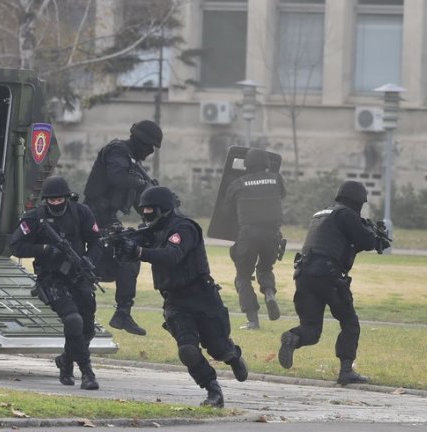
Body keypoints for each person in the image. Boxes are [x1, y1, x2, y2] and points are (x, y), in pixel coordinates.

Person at [116, 186, 248, 407]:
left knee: (218, 348)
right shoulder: (150, 231)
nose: (146, 213)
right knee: (187, 350)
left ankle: (232, 355)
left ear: (164, 208)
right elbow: (132, 250)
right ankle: (213, 390)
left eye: (150, 209)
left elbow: (171, 255)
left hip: (202, 297)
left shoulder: (184, 228)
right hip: (175, 300)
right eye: (143, 209)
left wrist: (139, 252)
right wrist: (121, 244)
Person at [278, 180, 390, 385]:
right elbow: (366, 241)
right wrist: (376, 237)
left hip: (303, 275)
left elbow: (340, 240)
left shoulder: (321, 215)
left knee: (311, 329)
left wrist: (369, 232)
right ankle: (346, 371)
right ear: (358, 201)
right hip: (328, 276)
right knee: (349, 322)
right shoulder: (346, 214)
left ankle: (293, 338)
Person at [10, 175, 103, 390]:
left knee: (88, 329)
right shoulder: (35, 218)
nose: (55, 204)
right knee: (73, 321)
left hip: (78, 276)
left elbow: (97, 242)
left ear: (67, 198)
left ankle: (65, 361)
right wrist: (44, 249)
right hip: (51, 278)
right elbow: (16, 246)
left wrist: (90, 260)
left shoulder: (82, 212)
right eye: (51, 201)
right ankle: (87, 372)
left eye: (59, 200)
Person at [82, 120, 163, 336]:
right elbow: (116, 177)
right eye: (149, 146)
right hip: (91, 218)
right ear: (139, 141)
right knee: (86, 267)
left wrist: (157, 216)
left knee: (129, 256)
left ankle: (122, 313)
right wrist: (143, 184)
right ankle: (82, 315)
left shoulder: (133, 164)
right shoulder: (117, 151)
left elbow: (139, 202)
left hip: (108, 220)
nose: (150, 152)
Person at [224, 148, 286, 330]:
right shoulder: (277, 179)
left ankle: (253, 320)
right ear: (267, 163)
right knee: (266, 268)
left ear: (247, 164)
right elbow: (281, 195)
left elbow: (226, 209)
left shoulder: (238, 184)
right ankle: (269, 294)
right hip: (272, 234)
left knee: (243, 275)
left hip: (248, 234)